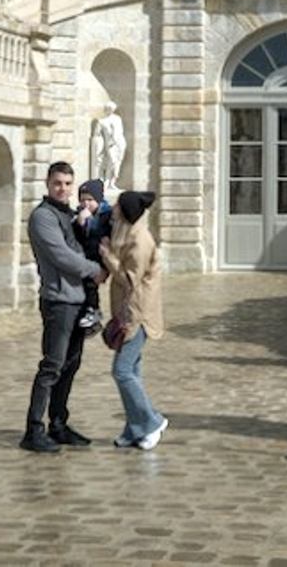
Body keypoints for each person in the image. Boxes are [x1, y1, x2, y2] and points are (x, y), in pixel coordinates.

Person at [22, 160, 108, 454]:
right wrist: (95, 270)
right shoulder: (42, 217)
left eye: (68, 184)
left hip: (78, 300)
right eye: (57, 183)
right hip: (58, 301)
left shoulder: (71, 215)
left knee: (70, 366)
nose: (63, 188)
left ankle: (58, 424)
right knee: (52, 366)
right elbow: (61, 255)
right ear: (48, 183)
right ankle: (33, 429)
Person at [101, 190, 168, 450]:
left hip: (138, 314)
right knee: (133, 371)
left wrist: (107, 256)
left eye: (118, 205)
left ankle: (152, 421)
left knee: (122, 371)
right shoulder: (127, 232)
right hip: (129, 311)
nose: (114, 209)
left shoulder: (140, 240)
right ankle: (134, 429)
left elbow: (129, 279)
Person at [74, 178, 113, 333]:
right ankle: (89, 311)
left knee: (90, 284)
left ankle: (94, 310)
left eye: (90, 200)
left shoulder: (107, 215)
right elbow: (78, 237)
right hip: (86, 256)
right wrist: (79, 224)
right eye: (83, 200)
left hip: (101, 256)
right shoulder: (79, 214)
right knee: (85, 285)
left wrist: (87, 223)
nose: (86, 204)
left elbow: (104, 234)